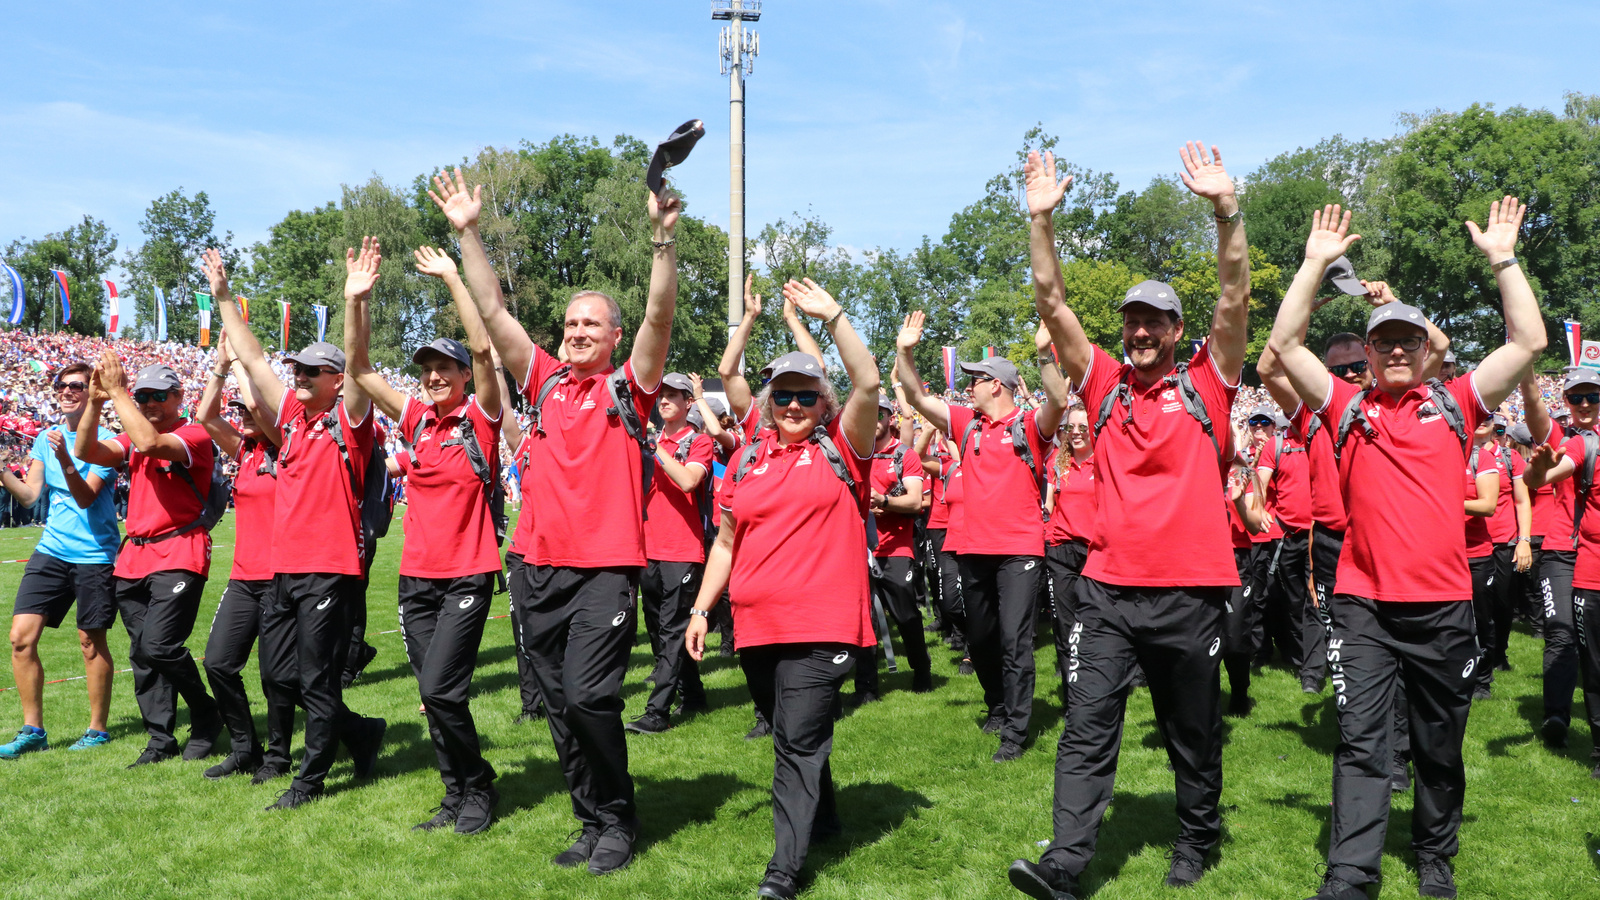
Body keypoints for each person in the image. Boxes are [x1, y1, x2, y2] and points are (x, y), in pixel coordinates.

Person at [1266, 201, 1545, 900]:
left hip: (1443, 609)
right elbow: (1285, 347)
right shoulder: (1346, 407)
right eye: (1382, 340)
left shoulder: (1455, 403)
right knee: (1362, 743)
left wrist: (1504, 261)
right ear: (1368, 351)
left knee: (1437, 747)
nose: (1394, 349)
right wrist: (1312, 265)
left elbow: (1529, 342)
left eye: (1406, 340)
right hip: (1362, 608)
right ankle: (1351, 875)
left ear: (1425, 349)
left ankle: (1434, 854)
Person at [1008, 142, 1249, 898]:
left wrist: (1226, 213)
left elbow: (1235, 298)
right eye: (1132, 321)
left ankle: (1195, 839)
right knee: (1086, 728)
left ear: (1178, 332)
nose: (1140, 332)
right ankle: (1067, 865)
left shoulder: (1209, 385)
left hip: (1191, 593)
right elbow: (1052, 302)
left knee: (1192, 733)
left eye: (1155, 322)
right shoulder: (1104, 384)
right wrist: (1040, 223)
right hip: (1106, 591)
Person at [462, 166, 679, 874]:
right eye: (570, 324)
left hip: (605, 571)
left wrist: (661, 243)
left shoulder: (628, 387)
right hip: (537, 566)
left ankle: (618, 819)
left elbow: (659, 318)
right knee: (557, 707)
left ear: (614, 336)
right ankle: (588, 819)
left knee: (590, 698)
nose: (578, 332)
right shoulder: (546, 379)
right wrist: (468, 231)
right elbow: (493, 314)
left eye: (591, 324)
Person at [684, 278, 880, 900]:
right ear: (769, 403)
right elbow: (725, 543)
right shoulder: (747, 459)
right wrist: (701, 610)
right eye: (784, 396)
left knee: (793, 744)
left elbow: (869, 382)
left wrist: (836, 317)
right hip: (757, 625)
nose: (793, 406)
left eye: (805, 396)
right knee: (796, 732)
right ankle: (823, 819)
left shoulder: (844, 449)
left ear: (824, 404)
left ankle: (783, 872)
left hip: (822, 626)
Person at [205, 247, 388, 809]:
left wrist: (354, 301)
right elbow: (255, 357)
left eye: (313, 372)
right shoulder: (291, 420)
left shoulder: (350, 423)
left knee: (315, 680)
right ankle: (360, 733)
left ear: (335, 380)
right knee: (283, 677)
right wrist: (221, 295)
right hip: (284, 569)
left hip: (329, 570)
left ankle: (308, 780)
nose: (300, 377)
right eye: (299, 371)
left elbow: (358, 365)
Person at [345, 226, 506, 834]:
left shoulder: (479, 419)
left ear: (464, 377)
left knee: (439, 691)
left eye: (446, 367)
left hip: (467, 573)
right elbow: (358, 367)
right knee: (439, 696)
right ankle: (456, 793)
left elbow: (486, 348)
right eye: (429, 368)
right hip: (416, 580)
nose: (436, 375)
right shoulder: (417, 420)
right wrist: (356, 298)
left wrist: (450, 279)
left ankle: (479, 784)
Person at [895, 310, 1069, 763]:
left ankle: (1015, 729)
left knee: (1015, 640)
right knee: (982, 637)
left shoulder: (1029, 426)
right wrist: (904, 351)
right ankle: (996, 703)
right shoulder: (965, 422)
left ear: (998, 385)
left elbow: (1057, 399)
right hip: (971, 546)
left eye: (976, 379)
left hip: (1019, 550)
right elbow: (916, 395)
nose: (968, 385)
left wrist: (1043, 353)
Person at [75, 353, 224, 767]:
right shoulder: (131, 430)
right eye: (143, 396)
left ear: (179, 396)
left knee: (159, 645)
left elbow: (150, 443)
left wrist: (119, 392)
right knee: (142, 654)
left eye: (159, 395)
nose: (149, 402)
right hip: (135, 557)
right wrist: (96, 401)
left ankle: (206, 713)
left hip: (179, 550)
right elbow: (85, 449)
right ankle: (160, 738)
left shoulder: (192, 435)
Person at [0, 362, 120, 758]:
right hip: (51, 549)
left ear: (92, 394)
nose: (66, 391)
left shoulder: (108, 441)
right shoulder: (43, 438)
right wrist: (2, 469)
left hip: (94, 554)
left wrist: (67, 460)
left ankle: (97, 729)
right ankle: (33, 729)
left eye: (76, 386)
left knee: (90, 641)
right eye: (61, 385)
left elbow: (86, 496)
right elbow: (32, 497)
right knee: (20, 639)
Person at [193, 337, 290, 781]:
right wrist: (220, 367)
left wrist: (241, 367)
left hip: (281, 578)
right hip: (244, 578)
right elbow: (205, 416)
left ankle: (278, 756)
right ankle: (244, 747)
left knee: (276, 675)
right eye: (242, 411)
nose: (243, 415)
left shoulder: (287, 446)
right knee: (218, 662)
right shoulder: (245, 451)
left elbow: (266, 413)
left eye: (250, 410)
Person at [1523, 366, 1600, 767]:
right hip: (1559, 550)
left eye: (1593, 397)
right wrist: (1523, 367)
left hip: (1590, 551)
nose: (1585, 405)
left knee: (1590, 644)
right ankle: (1556, 714)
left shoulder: (1595, 443)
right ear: (1566, 402)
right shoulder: (1559, 438)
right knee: (1561, 632)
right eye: (1576, 397)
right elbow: (1535, 405)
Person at [629, 371, 714, 733]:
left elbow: (688, 481)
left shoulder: (699, 442)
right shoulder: (649, 442)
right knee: (657, 629)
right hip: (647, 548)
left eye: (672, 395)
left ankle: (657, 711)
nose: (663, 400)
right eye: (660, 395)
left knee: (672, 629)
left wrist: (653, 446)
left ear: (687, 403)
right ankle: (693, 695)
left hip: (682, 549)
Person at [857, 393, 931, 700]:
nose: (873, 419)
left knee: (905, 615)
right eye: (868, 413)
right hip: (858, 549)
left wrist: (884, 501)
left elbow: (915, 500)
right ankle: (866, 686)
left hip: (895, 549)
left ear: (891, 418)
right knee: (862, 619)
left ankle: (922, 670)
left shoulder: (904, 455)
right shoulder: (854, 454)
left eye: (880, 414)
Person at [1043, 401, 1093, 710]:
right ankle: (1071, 691)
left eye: (1082, 428)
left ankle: (1102, 684)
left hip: (1095, 552)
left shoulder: (1105, 462)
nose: (1075, 433)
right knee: (1065, 625)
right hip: (1061, 550)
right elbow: (1049, 506)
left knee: (1097, 623)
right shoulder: (1057, 463)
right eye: (1069, 427)